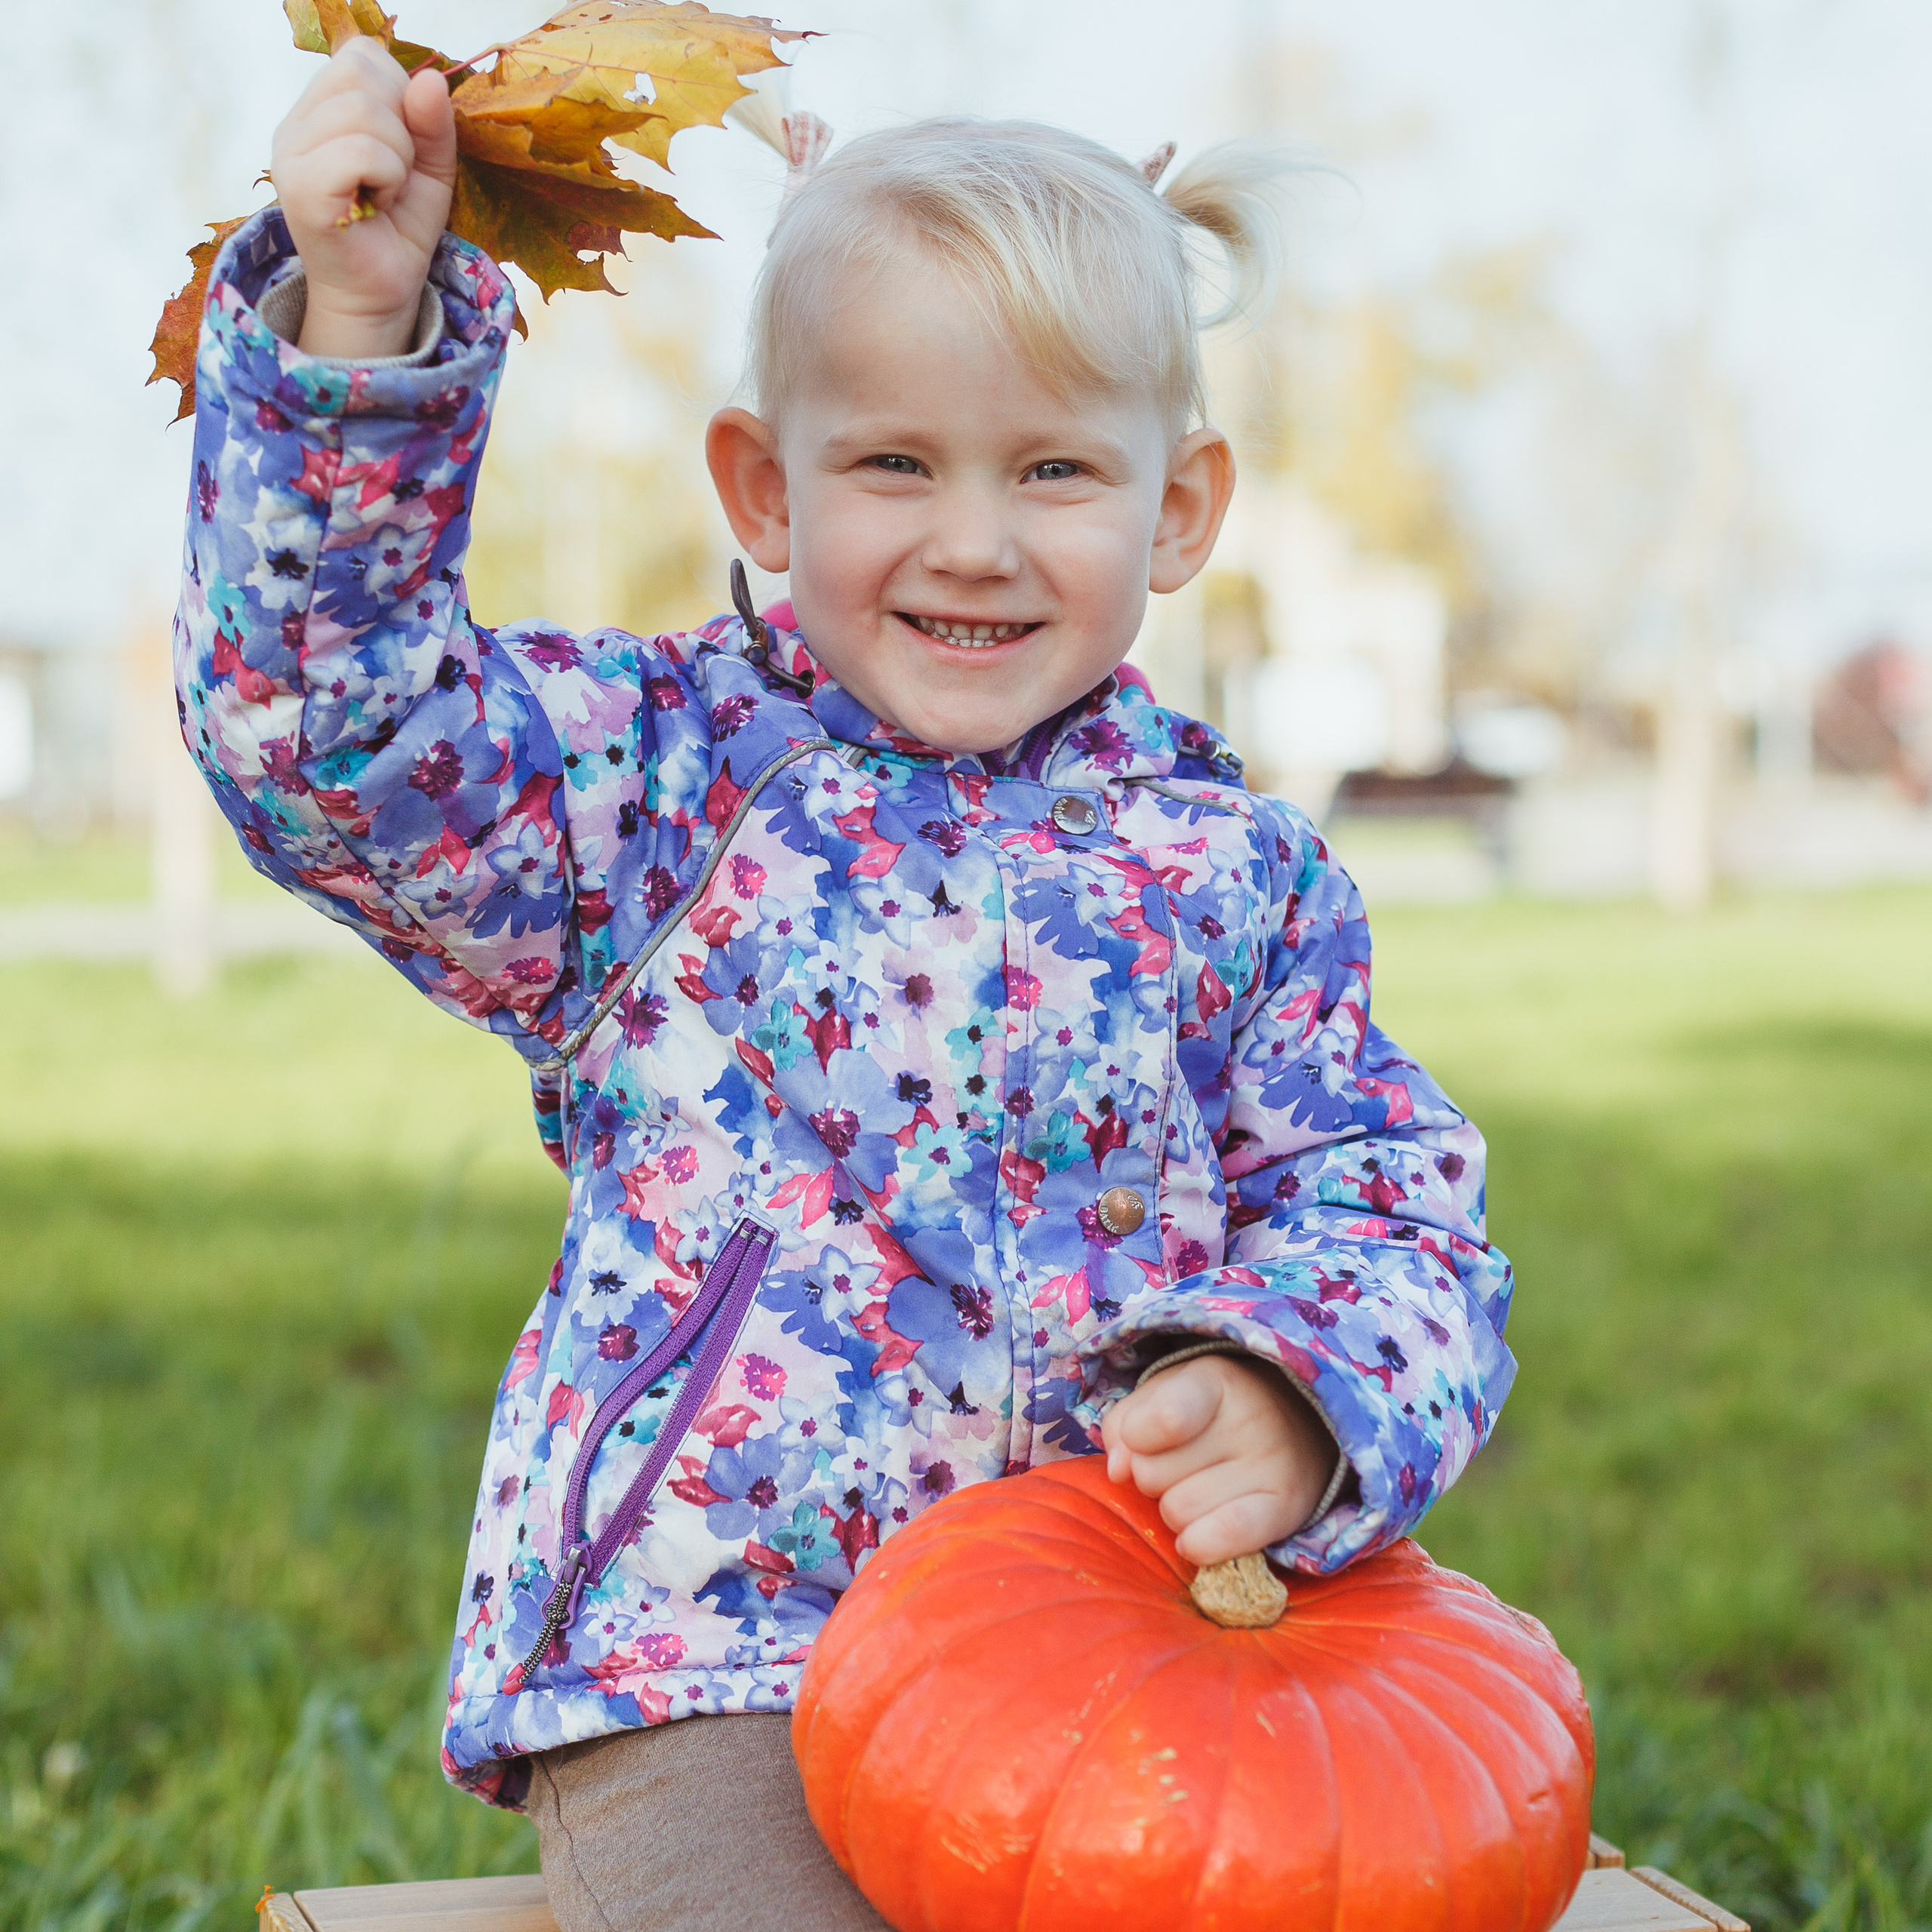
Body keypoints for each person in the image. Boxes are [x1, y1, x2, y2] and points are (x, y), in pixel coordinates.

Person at [175, 37, 1517, 1931]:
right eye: (893, 460)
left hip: (1117, 1652)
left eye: (1054, 467)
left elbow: (1392, 1207)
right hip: (721, 1660)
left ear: (1180, 508)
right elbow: (327, 744)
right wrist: (359, 344)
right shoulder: (653, 794)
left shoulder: (1238, 876)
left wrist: (1297, 1392)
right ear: (765, 487)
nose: (971, 536)